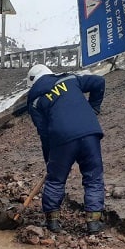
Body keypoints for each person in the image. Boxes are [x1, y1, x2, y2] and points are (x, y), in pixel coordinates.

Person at [26, 63, 106, 235]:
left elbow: (44, 134)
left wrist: (50, 160)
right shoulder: (69, 79)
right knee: (93, 177)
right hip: (89, 132)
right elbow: (99, 82)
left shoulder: (34, 100)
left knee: (55, 180)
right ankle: (93, 222)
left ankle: (52, 222)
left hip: (61, 140)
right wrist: (94, 107)